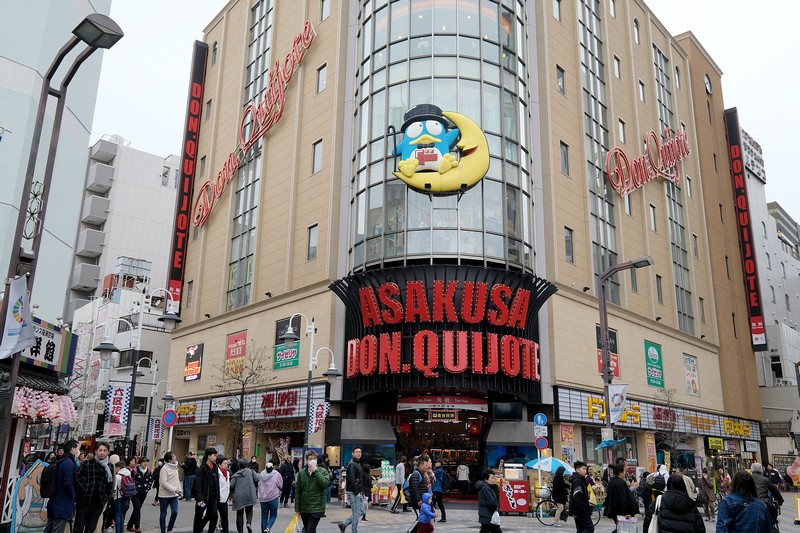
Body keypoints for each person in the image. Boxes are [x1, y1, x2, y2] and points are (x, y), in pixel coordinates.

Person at [73, 441, 114, 533]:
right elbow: (77, 478)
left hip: (98, 502)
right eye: (100, 450)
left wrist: (105, 497)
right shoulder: (87, 463)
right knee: (79, 526)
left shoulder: (110, 467)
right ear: (96, 451)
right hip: (84, 501)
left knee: (91, 527)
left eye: (104, 450)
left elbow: (110, 484)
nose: (102, 452)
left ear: (108, 452)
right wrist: (84, 491)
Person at [44, 440, 79, 533]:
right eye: (77, 448)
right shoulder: (68, 463)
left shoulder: (61, 461)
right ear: (72, 449)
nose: (78, 451)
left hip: (55, 500)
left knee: (49, 528)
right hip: (62, 503)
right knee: (57, 529)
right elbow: (67, 483)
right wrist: (72, 496)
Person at [295, 450, 330, 533]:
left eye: (314, 458)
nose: (312, 460)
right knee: (308, 529)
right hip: (304, 508)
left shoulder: (322, 471)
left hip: (317, 507)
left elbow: (325, 484)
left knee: (310, 529)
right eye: (310, 459)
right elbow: (298, 491)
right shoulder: (302, 473)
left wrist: (316, 471)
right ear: (306, 460)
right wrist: (297, 508)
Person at [604, 463, 638, 533]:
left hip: (614, 509)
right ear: (620, 472)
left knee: (620, 528)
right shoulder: (620, 482)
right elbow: (623, 498)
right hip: (621, 511)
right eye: (624, 471)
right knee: (623, 529)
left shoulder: (612, 481)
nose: (625, 473)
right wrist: (627, 512)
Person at [192, 448, 220, 533]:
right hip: (203, 499)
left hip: (212, 498)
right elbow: (197, 484)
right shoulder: (202, 468)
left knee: (214, 515)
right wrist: (199, 499)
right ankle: (197, 530)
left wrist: (217, 496)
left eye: (216, 455)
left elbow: (216, 483)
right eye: (214, 455)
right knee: (199, 515)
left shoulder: (215, 467)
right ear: (208, 456)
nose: (216, 457)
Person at [339, 447, 365, 533]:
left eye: (360, 452)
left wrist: (361, 491)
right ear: (352, 453)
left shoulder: (357, 463)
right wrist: (356, 492)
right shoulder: (352, 464)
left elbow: (359, 479)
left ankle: (344, 524)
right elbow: (352, 479)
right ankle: (354, 531)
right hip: (353, 492)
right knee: (356, 513)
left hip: (358, 491)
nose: (358, 454)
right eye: (356, 452)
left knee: (361, 511)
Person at [158, 451, 183, 533]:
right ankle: (163, 531)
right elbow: (163, 483)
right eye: (174, 456)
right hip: (164, 495)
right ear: (169, 460)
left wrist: (180, 489)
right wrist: (174, 489)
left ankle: (169, 528)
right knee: (163, 514)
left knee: (175, 512)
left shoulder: (175, 467)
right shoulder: (164, 469)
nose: (175, 457)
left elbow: (177, 480)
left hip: (174, 495)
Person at [127, 457, 153, 532]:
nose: (145, 463)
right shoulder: (135, 471)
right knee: (137, 508)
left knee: (137, 509)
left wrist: (148, 488)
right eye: (143, 462)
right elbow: (131, 481)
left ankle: (130, 525)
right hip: (135, 493)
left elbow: (150, 480)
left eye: (146, 462)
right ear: (140, 463)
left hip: (144, 492)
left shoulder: (149, 471)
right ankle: (137, 527)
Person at [259, 461, 283, 533]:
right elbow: (280, 485)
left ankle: (264, 531)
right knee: (273, 515)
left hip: (263, 498)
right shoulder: (276, 474)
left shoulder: (261, 474)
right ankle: (268, 527)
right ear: (273, 468)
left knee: (264, 516)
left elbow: (259, 484)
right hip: (273, 497)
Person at [570, 461, 594, 533]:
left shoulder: (580, 480)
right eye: (583, 469)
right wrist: (577, 511)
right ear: (577, 469)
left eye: (585, 469)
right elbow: (578, 496)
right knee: (590, 528)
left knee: (580, 529)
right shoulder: (578, 481)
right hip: (581, 510)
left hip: (579, 509)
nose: (585, 471)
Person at [477, 469, 501, 533]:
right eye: (492, 478)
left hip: (485, 514)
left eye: (494, 478)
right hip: (489, 515)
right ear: (486, 479)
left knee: (485, 530)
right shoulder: (486, 488)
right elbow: (492, 502)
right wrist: (496, 508)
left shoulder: (485, 487)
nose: (494, 480)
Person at [114, 459, 134, 533]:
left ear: (118, 468)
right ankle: (121, 530)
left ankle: (118, 531)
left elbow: (114, 488)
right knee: (122, 514)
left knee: (117, 514)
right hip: (126, 496)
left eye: (115, 468)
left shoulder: (117, 476)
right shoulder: (129, 474)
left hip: (118, 497)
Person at [218, 456, 231, 533]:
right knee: (212, 516)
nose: (226, 465)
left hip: (224, 498)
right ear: (219, 464)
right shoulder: (217, 473)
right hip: (217, 498)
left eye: (227, 463)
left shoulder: (228, 473)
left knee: (225, 517)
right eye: (224, 463)